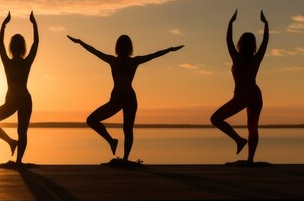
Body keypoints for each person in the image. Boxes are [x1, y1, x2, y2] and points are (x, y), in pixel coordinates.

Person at [68, 34, 183, 163]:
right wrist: (80, 42)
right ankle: (113, 143)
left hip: (127, 98)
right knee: (93, 120)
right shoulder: (121, 61)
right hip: (119, 98)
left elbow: (154, 55)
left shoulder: (124, 61)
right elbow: (94, 51)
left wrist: (80, 42)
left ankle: (125, 158)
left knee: (127, 128)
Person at [211, 10, 269, 163]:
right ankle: (250, 159)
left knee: (215, 119)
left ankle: (239, 140)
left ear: (241, 44)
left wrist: (231, 23)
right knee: (253, 128)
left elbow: (228, 41)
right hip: (255, 95)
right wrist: (266, 25)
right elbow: (265, 43)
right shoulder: (256, 58)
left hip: (242, 96)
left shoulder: (236, 58)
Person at [0, 12, 38, 165]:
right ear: (23, 48)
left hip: (15, 100)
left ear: (12, 48)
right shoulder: (25, 62)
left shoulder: (8, 63)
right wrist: (34, 25)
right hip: (23, 100)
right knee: (22, 132)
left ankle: (16, 153)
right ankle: (16, 154)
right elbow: (36, 44)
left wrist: (3, 25)